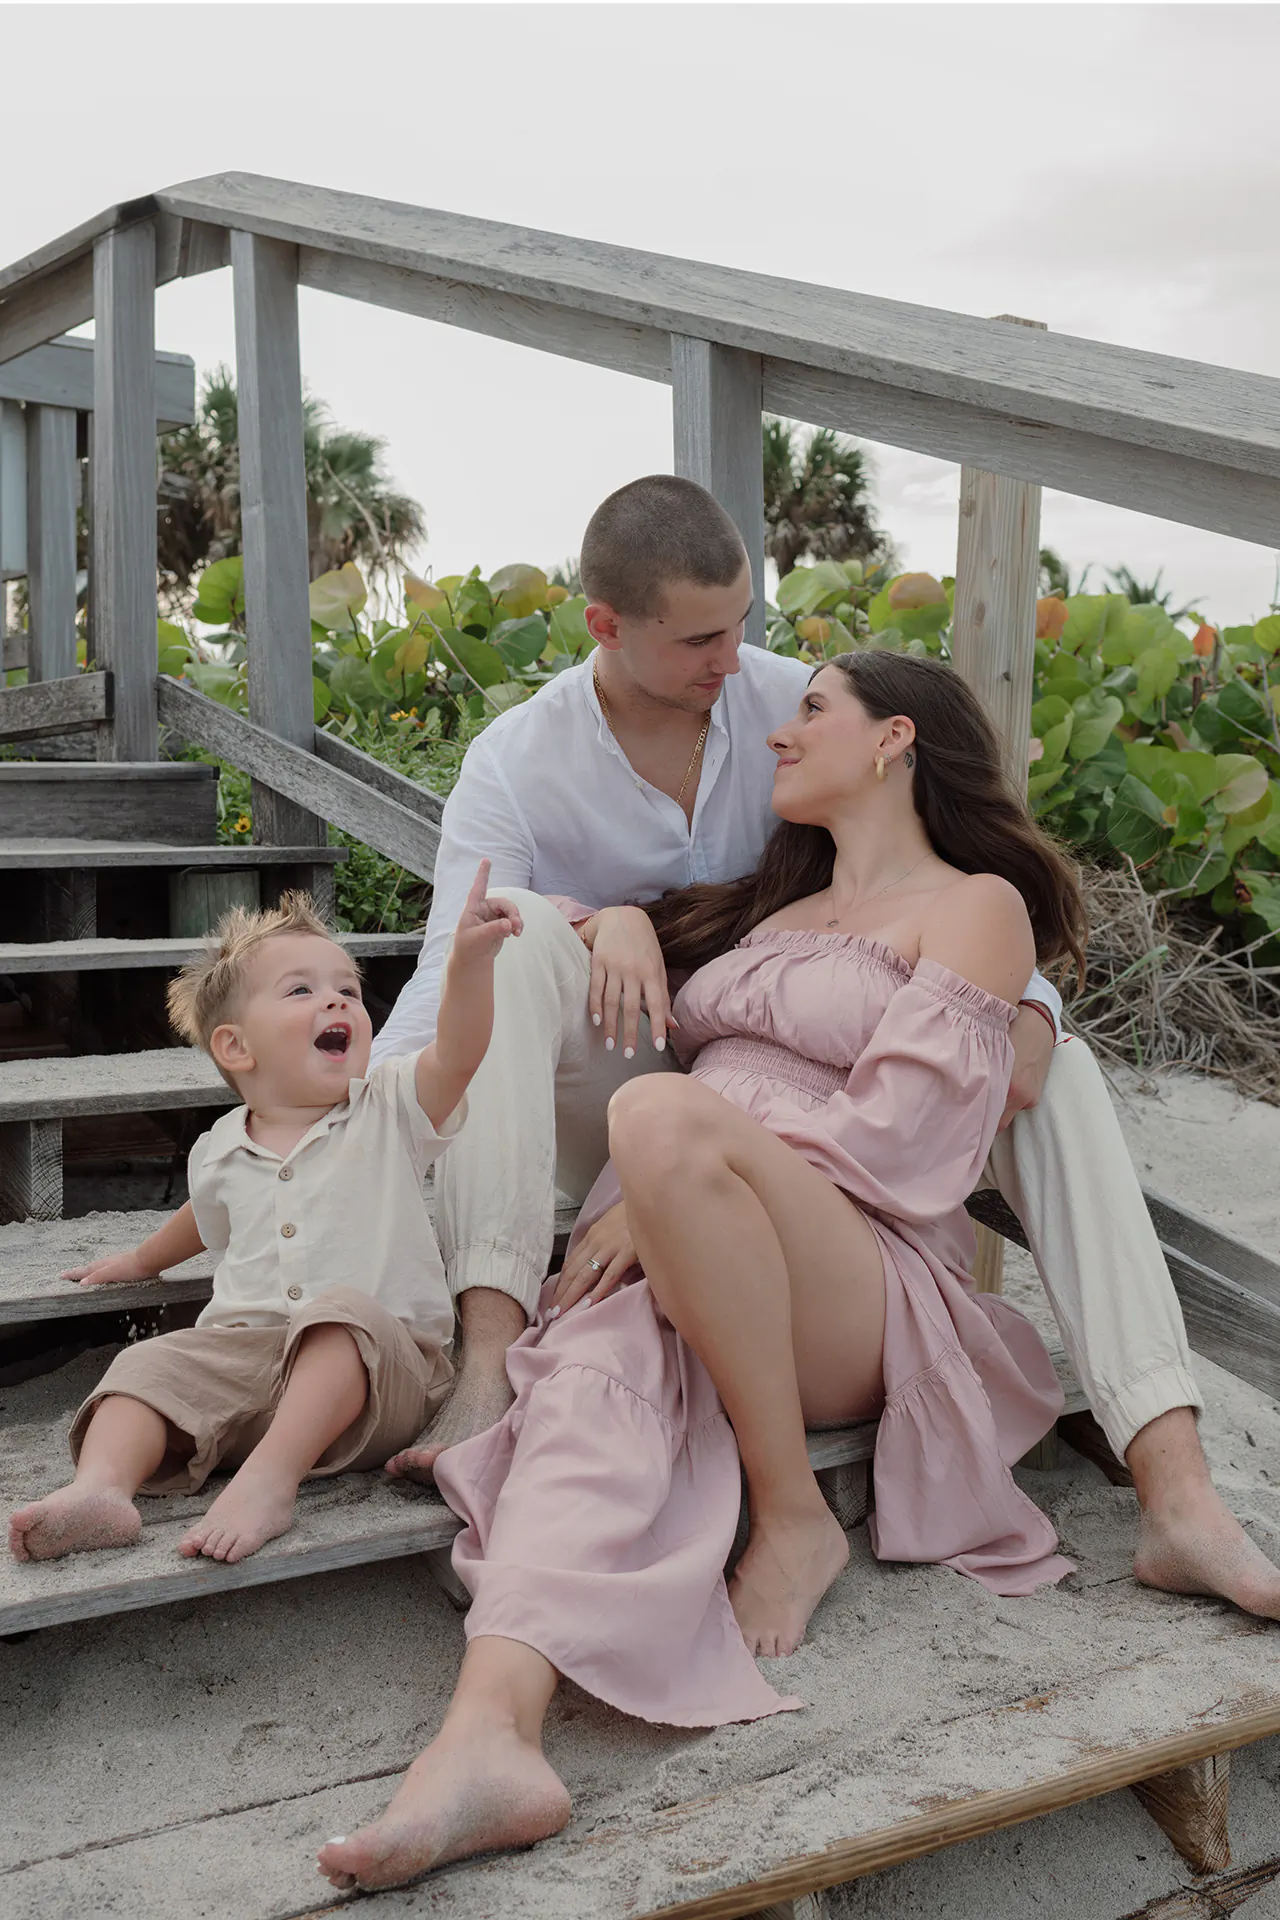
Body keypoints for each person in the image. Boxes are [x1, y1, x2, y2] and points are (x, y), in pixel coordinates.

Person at [379, 475, 1280, 1629]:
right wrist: (373, 1117)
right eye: (700, 637)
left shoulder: (793, 714)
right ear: (605, 625)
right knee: (514, 935)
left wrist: (1035, 1011)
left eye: (742, 621)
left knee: (1061, 1077)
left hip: (786, 1142)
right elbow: (448, 961)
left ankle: (1177, 1489)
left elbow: (945, 883)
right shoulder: (519, 756)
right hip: (615, 1071)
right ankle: (490, 1345)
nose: (736, 663)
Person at [314, 650, 1085, 1894]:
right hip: (680, 1245)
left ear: (893, 739)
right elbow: (585, 970)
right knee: (586, 1406)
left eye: (811, 711)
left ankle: (789, 1512)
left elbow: (903, 1143)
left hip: (853, 1267)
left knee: (664, 1117)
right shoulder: (770, 911)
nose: (780, 731)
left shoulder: (974, 905)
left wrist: (684, 1162)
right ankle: (486, 1741)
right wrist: (618, 922)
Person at [8, 869, 520, 1568]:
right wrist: (143, 1262)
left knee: (340, 1318)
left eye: (347, 989)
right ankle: (100, 1490)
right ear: (235, 1048)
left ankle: (270, 1484)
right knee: (144, 1365)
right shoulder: (220, 1147)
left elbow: (460, 1054)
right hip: (249, 1374)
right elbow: (202, 1215)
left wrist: (468, 963)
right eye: (302, 990)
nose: (337, 1000)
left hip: (381, 1373)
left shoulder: (389, 1106)